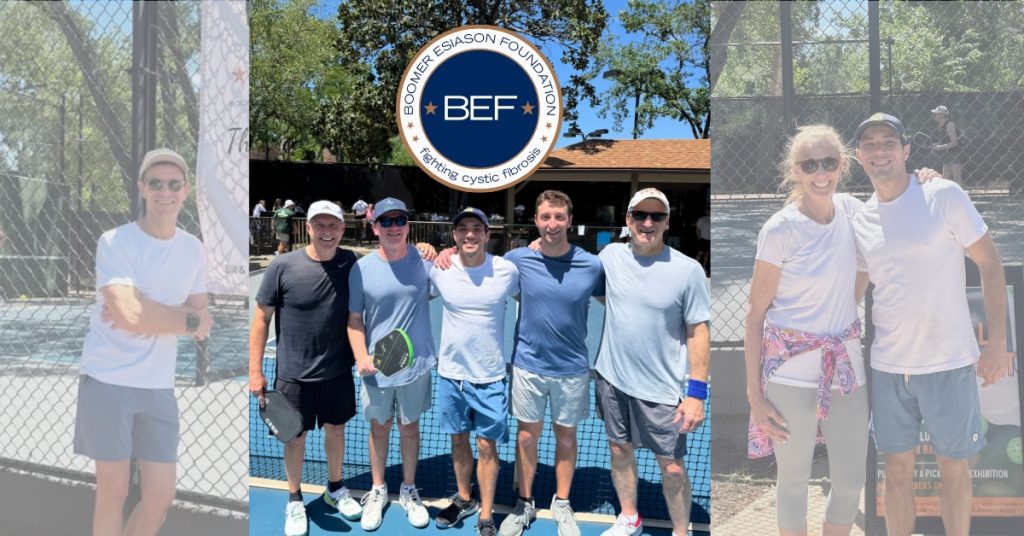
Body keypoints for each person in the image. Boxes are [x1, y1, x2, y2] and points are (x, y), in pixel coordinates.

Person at [851, 113, 1007, 536]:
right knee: (896, 472)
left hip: (949, 362)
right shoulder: (859, 219)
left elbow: (990, 266)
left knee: (953, 469)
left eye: (889, 142)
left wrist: (996, 345)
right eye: (870, 144)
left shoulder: (943, 194)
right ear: (858, 156)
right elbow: (853, 291)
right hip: (889, 368)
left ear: (905, 151)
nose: (879, 151)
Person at [74, 148, 214, 536]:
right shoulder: (116, 241)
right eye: (155, 183)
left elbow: (202, 322)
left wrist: (147, 308)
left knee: (159, 496)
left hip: (158, 388)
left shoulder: (194, 249)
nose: (164, 192)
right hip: (107, 381)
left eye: (173, 184)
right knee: (113, 491)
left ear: (185, 190)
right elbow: (128, 315)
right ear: (142, 188)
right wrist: (172, 316)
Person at [744, 126, 870, 536]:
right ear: (796, 170)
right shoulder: (780, 229)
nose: (821, 172)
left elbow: (896, 206)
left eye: (829, 163)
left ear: (842, 165)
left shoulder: (853, 210)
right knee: (794, 479)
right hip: (789, 374)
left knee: (851, 480)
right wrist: (755, 396)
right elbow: (755, 315)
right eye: (810, 164)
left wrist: (927, 179)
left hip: (846, 367)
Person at [595, 188, 710, 536]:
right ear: (627, 220)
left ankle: (680, 530)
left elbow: (698, 332)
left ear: (667, 222)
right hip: (612, 380)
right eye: (640, 216)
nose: (648, 223)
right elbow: (593, 288)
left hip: (662, 390)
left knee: (672, 467)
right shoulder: (610, 255)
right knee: (619, 449)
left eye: (656, 216)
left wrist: (696, 395)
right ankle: (629, 516)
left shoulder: (688, 270)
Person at [249, 200, 363, 536]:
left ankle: (335, 488)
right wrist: (255, 370)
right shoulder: (282, 266)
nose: (328, 232)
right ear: (308, 228)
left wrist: (430, 250)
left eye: (334, 225)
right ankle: (295, 499)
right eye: (321, 225)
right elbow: (261, 320)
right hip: (292, 375)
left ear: (343, 229)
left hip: (338, 372)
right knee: (295, 438)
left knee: (336, 430)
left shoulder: (351, 263)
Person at [429, 207, 520, 536]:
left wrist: (536, 246)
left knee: (486, 446)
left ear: (487, 234)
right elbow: (411, 292)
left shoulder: (506, 270)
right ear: (454, 235)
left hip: (491, 377)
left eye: (476, 228)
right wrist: (426, 250)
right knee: (458, 441)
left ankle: (485, 513)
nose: (469, 234)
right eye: (463, 228)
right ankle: (464, 498)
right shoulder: (440, 268)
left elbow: (534, 287)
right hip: (451, 375)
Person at [347, 197, 435, 531]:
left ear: (408, 226)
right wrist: (362, 356)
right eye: (386, 222)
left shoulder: (425, 260)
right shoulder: (361, 269)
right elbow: (354, 320)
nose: (394, 227)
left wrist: (436, 250)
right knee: (379, 427)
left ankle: (409, 489)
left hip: (416, 365)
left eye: (400, 220)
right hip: (377, 368)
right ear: (374, 228)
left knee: (409, 427)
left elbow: (464, 256)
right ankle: (378, 488)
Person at [930, 105, 962, 184]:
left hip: (956, 154)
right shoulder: (941, 126)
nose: (934, 115)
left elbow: (954, 143)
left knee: (957, 178)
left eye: (936, 113)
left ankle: (961, 195)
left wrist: (939, 147)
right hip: (947, 154)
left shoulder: (949, 124)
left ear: (942, 115)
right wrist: (936, 145)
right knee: (945, 178)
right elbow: (944, 141)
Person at [694, 206, 710, 273]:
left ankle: (704, 267)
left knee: (707, 254)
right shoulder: (701, 219)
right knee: (700, 253)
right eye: (708, 210)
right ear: (705, 211)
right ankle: (694, 266)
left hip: (710, 239)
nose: (709, 212)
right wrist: (699, 238)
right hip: (703, 239)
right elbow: (697, 229)